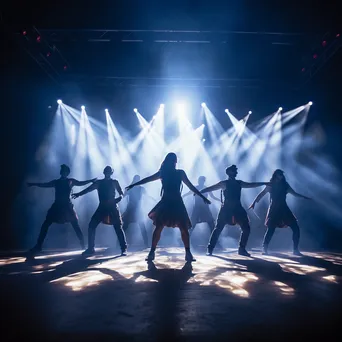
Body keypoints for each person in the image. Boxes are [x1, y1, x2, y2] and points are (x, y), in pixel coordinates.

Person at [126, 152, 210, 262]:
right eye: (171, 160)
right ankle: (152, 252)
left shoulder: (179, 173)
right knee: (160, 227)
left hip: (176, 203)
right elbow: (148, 179)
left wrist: (202, 197)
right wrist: (134, 184)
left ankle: (187, 253)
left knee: (182, 228)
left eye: (173, 160)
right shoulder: (163, 173)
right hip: (167, 202)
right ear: (169, 161)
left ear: (175, 162)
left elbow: (190, 186)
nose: (173, 162)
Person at [201, 165, 269, 257]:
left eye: (236, 171)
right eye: (234, 171)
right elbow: (211, 188)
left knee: (246, 228)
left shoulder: (239, 183)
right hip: (226, 209)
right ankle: (210, 249)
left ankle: (241, 249)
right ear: (229, 172)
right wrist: (199, 192)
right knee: (218, 229)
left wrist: (264, 183)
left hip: (238, 208)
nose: (236, 172)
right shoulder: (224, 183)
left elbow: (251, 184)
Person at [27, 164, 96, 254]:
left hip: (67, 206)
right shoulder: (56, 182)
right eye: (62, 171)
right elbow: (45, 184)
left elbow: (80, 183)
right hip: (57, 206)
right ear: (61, 172)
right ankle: (38, 246)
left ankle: (83, 244)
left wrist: (90, 181)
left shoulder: (70, 181)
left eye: (65, 171)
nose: (64, 173)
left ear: (67, 173)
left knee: (75, 225)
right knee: (46, 224)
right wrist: (34, 184)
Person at [249, 169, 310, 256]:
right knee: (271, 229)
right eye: (279, 174)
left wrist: (304, 197)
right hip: (274, 209)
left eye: (281, 175)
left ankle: (295, 249)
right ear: (275, 175)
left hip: (284, 208)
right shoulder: (271, 185)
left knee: (295, 228)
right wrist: (254, 203)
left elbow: (294, 193)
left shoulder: (285, 185)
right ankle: (264, 248)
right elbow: (262, 194)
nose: (280, 176)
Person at [72, 166, 127, 256]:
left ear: (111, 173)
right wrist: (78, 194)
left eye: (109, 171)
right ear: (104, 172)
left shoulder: (114, 182)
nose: (107, 173)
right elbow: (88, 189)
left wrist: (119, 198)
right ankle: (91, 248)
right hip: (102, 206)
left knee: (118, 227)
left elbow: (121, 193)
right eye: (106, 171)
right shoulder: (99, 183)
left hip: (112, 206)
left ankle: (123, 249)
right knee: (92, 225)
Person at [122, 175, 155, 248]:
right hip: (131, 210)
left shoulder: (140, 188)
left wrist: (153, 200)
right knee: (125, 227)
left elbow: (147, 196)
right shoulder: (131, 188)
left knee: (141, 227)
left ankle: (146, 244)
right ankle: (120, 243)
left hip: (137, 210)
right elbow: (123, 196)